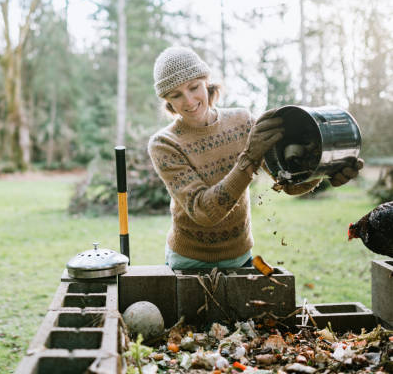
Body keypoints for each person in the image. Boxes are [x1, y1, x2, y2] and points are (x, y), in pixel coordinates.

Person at [147, 46, 362, 269]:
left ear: (206, 82)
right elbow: (204, 211)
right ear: (167, 100)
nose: (189, 101)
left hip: (240, 257)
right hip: (188, 261)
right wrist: (249, 158)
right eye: (176, 95)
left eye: (194, 87)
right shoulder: (164, 144)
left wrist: (319, 169)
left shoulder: (243, 122)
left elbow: (287, 182)